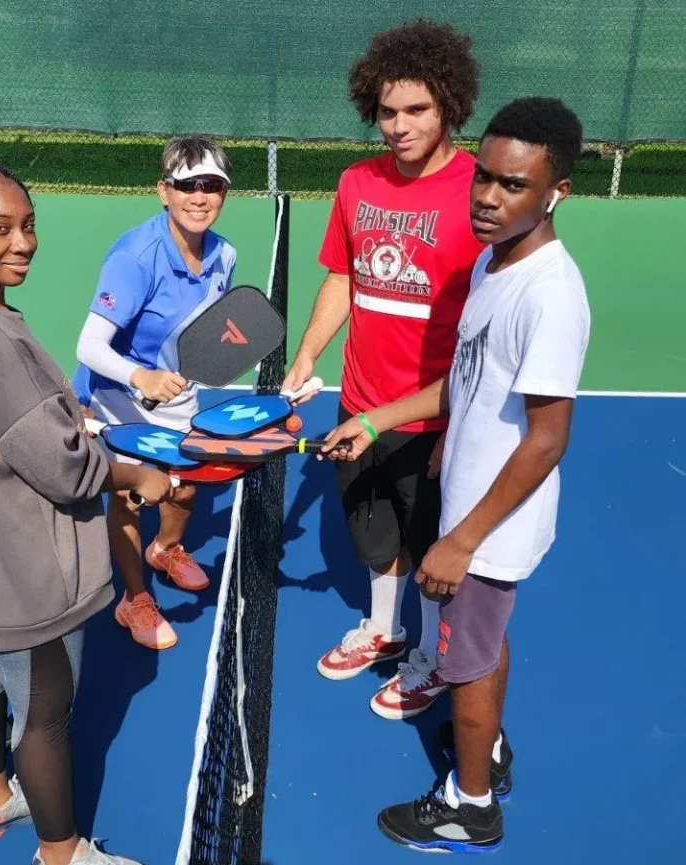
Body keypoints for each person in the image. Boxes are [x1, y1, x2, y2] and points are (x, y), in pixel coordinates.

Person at [323, 96, 589, 853]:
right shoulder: (490, 259)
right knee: (481, 642)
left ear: (553, 192)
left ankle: (468, 803)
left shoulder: (549, 295)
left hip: (486, 527)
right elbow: (464, 381)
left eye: (511, 186)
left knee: (463, 664)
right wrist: (375, 419)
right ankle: (490, 750)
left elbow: (545, 439)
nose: (486, 198)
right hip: (469, 503)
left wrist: (459, 542)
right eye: (482, 177)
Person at [0, 161, 171, 865]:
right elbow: (64, 466)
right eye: (0, 229)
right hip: (24, 575)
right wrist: (139, 474)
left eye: (29, 224)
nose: (23, 242)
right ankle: (62, 854)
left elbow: (0, 424)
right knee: (46, 717)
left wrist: (57, 415)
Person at [281, 20, 483, 717]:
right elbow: (343, 277)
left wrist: (458, 426)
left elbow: (488, 329)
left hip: (436, 415)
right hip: (359, 401)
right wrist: (309, 349)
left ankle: (430, 656)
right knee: (372, 534)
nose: (397, 126)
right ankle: (384, 629)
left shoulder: (478, 194)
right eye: (387, 112)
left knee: (430, 550)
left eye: (416, 110)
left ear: (449, 104)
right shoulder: (355, 183)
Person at [73, 135, 237, 651]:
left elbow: (209, 332)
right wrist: (140, 378)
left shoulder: (224, 256)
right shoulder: (135, 257)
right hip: (117, 394)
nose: (199, 196)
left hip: (175, 392)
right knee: (131, 495)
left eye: (211, 186)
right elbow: (89, 345)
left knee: (185, 487)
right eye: (187, 185)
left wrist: (204, 370)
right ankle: (134, 599)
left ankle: (165, 548)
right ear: (163, 191)